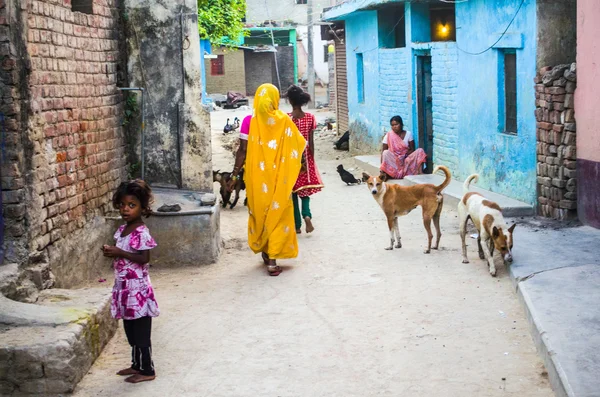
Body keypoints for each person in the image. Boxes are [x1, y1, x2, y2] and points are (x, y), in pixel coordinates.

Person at [228, 83, 306, 276]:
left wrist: (235, 174)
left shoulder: (248, 121)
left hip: (257, 178)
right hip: (279, 178)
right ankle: (271, 257)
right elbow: (298, 146)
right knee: (277, 213)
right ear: (275, 99)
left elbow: (242, 151)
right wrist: (300, 165)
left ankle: (269, 256)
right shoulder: (284, 121)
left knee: (260, 212)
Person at [102, 180, 158, 383]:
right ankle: (136, 364)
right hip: (125, 289)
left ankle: (147, 370)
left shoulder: (140, 231)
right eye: (122, 205)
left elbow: (144, 258)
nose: (126, 209)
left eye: (132, 205)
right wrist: (113, 253)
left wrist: (119, 252)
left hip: (138, 291)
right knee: (131, 330)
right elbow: (125, 255)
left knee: (141, 332)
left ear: (143, 208)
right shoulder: (124, 229)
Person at [286, 85, 324, 234]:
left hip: (291, 158)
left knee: (293, 191)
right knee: (305, 189)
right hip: (306, 157)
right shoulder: (310, 118)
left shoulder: (287, 119)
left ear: (290, 100)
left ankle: (296, 225)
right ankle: (307, 215)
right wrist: (311, 159)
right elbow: (311, 141)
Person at [380, 115, 427, 179]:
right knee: (385, 152)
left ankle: (420, 172)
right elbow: (383, 152)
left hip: (405, 159)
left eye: (396, 124)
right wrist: (382, 168)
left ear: (401, 124)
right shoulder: (388, 135)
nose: (394, 127)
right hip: (394, 160)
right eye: (392, 125)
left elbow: (412, 149)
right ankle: (386, 173)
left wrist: (404, 156)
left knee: (420, 150)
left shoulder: (408, 134)